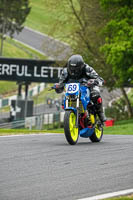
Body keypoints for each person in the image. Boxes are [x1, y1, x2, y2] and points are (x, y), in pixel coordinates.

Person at [55, 54, 106, 123]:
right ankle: (71, 114)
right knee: (62, 102)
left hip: (87, 87)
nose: (73, 71)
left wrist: (95, 81)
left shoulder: (87, 68)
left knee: (95, 94)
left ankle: (100, 113)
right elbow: (61, 84)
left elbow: (99, 79)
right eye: (71, 69)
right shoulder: (65, 71)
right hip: (72, 90)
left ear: (81, 67)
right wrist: (58, 87)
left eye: (75, 69)